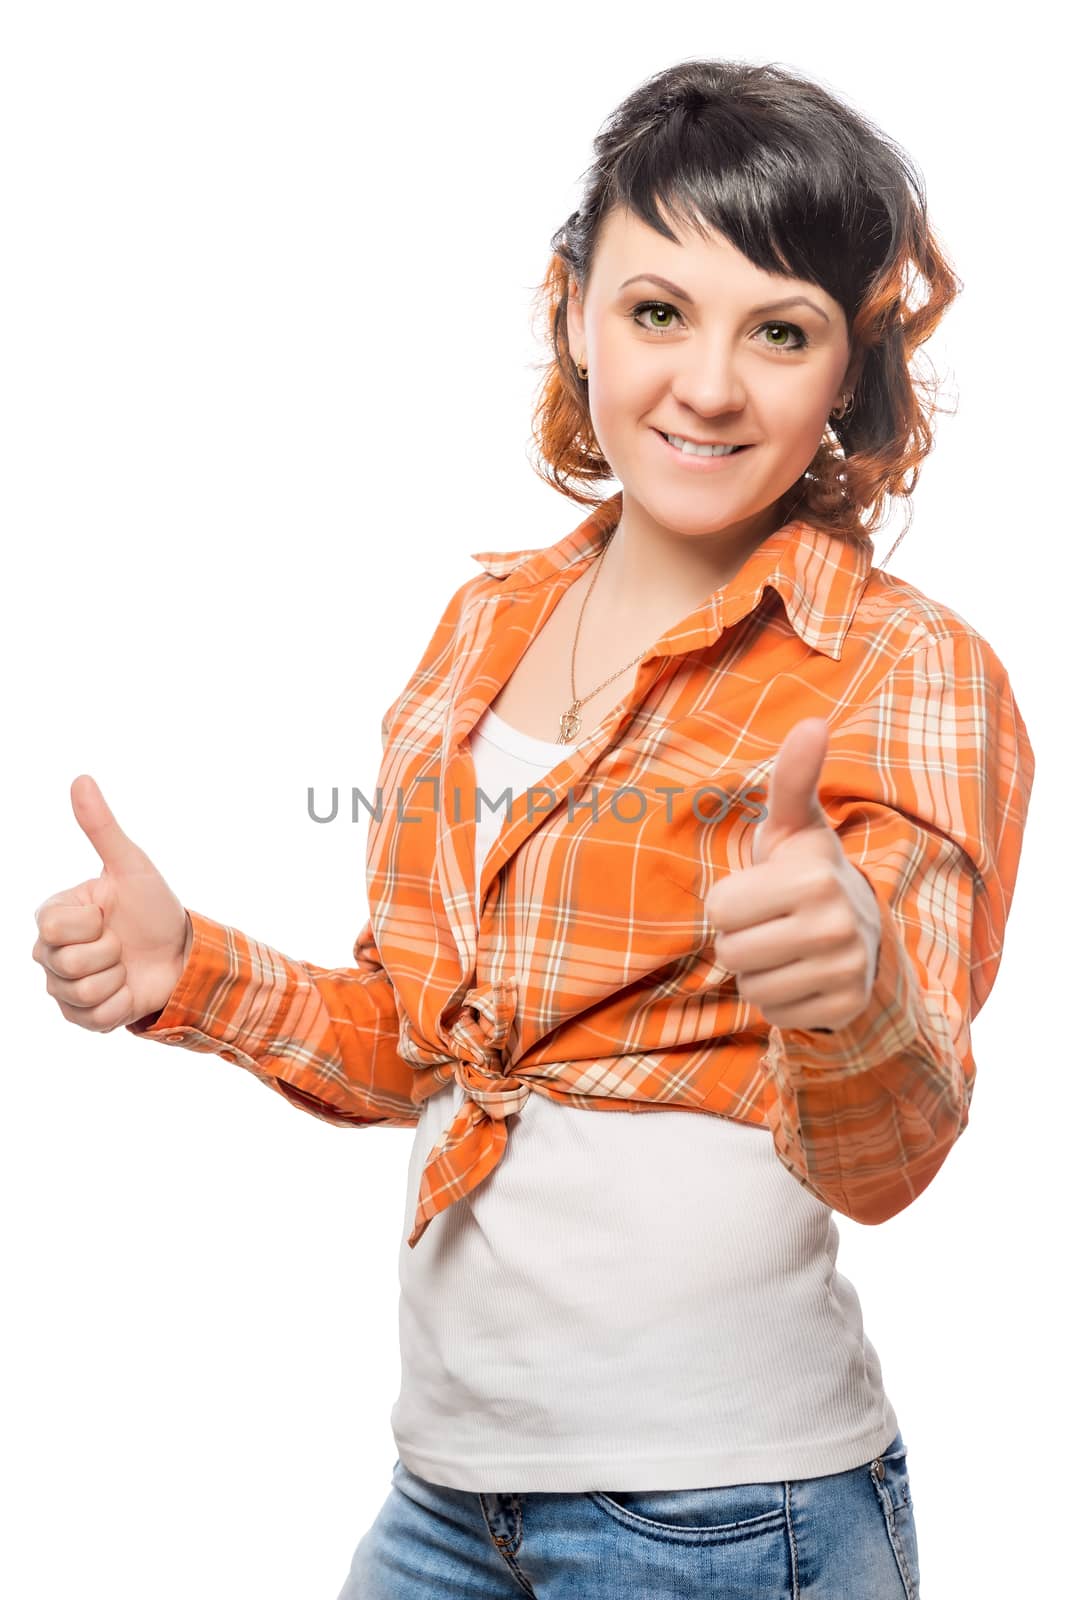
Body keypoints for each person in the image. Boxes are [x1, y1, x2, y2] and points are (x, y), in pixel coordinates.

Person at [32, 56, 1034, 1599]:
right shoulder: (486, 625)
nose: (708, 384)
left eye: (781, 331)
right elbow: (427, 1048)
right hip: (446, 1495)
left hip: (722, 1519)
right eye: (657, 311)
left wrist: (851, 992)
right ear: (574, 308)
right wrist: (185, 970)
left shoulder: (902, 669)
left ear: (847, 374)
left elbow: (896, 1148)